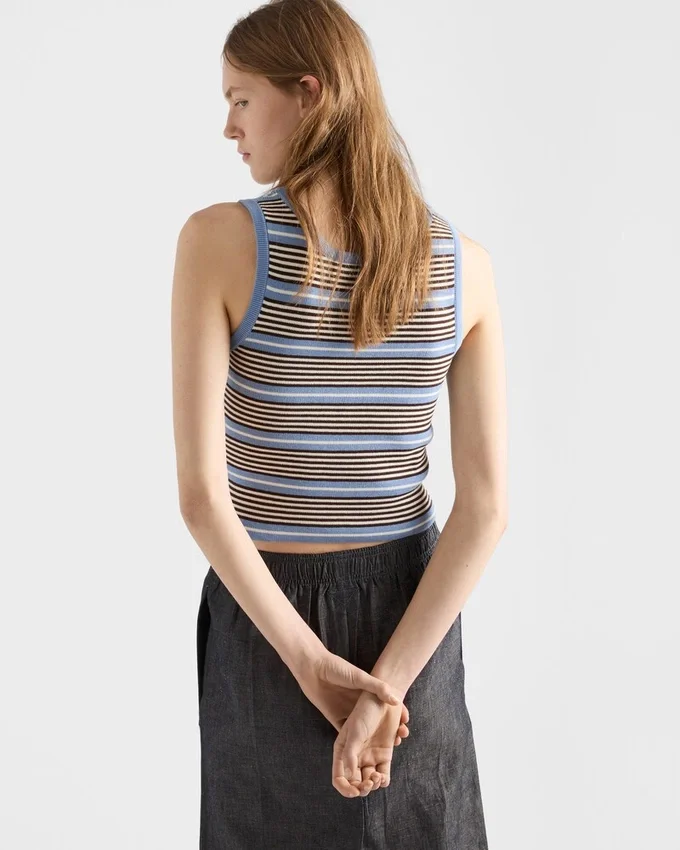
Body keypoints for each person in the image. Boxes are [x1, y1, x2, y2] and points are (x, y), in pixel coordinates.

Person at [170, 0, 507, 846]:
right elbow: (486, 508)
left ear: (309, 93)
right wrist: (392, 683)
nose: (228, 126)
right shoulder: (464, 266)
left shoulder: (217, 243)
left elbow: (203, 498)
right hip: (414, 617)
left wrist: (313, 665)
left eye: (241, 99)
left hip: (267, 618)